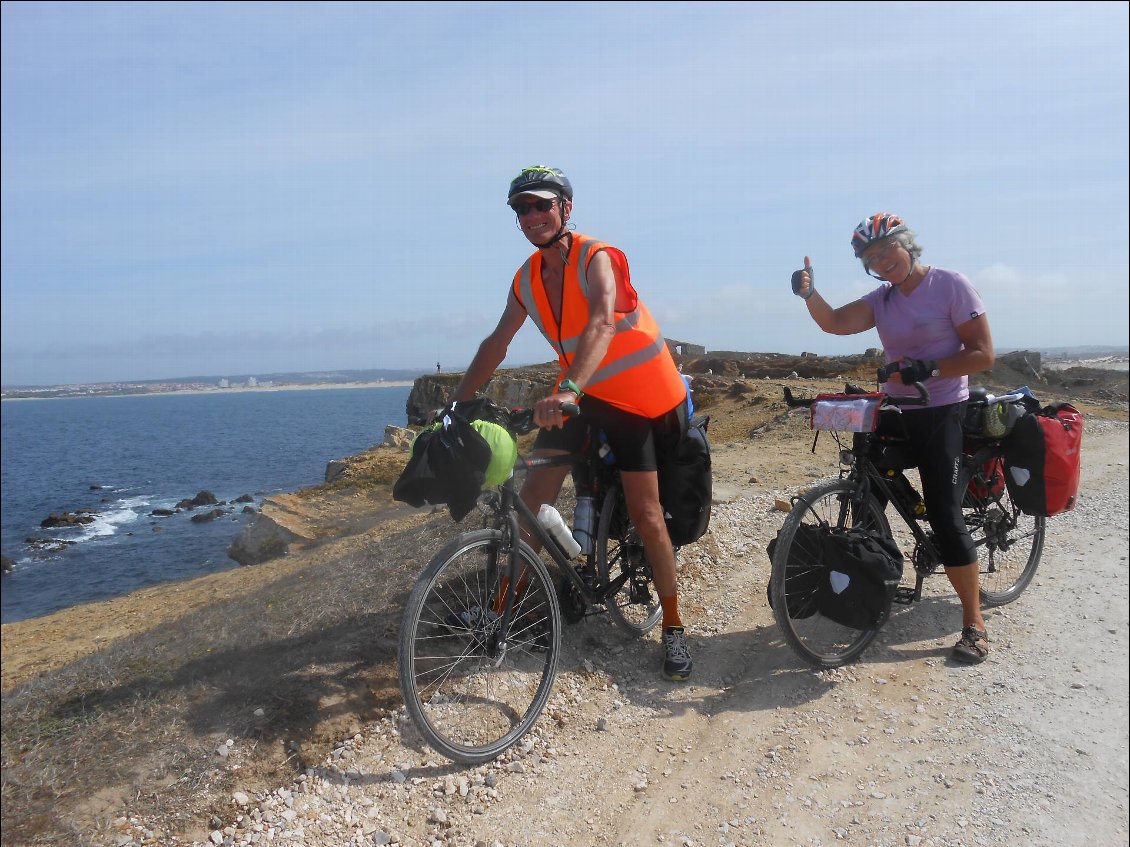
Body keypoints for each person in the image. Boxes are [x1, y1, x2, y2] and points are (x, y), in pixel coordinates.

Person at [449, 165, 694, 681]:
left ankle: (673, 627)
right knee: (531, 499)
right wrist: (456, 404)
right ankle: (500, 608)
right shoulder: (526, 279)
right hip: (579, 395)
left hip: (637, 399)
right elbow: (497, 343)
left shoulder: (596, 255)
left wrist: (569, 389)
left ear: (565, 208)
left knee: (647, 514)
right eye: (521, 208)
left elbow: (604, 318)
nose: (532, 215)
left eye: (541, 204)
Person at [790, 212, 996, 664]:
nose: (883, 263)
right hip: (898, 407)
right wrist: (809, 294)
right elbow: (836, 323)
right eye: (872, 259)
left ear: (907, 244)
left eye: (887, 251)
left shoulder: (949, 284)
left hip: (942, 408)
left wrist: (932, 368)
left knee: (943, 512)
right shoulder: (882, 300)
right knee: (867, 490)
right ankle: (869, 583)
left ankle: (973, 623)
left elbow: (982, 353)